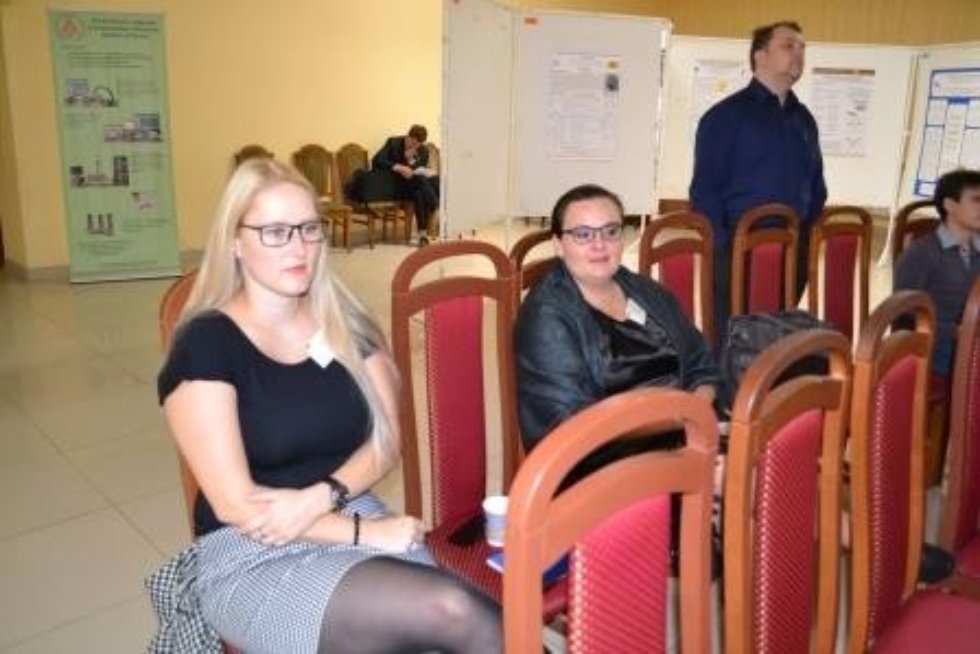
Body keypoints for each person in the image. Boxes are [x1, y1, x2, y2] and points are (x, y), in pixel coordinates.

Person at [155, 158, 500, 653]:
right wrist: (363, 533)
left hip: (344, 508)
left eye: (308, 228)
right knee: (452, 610)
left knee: (450, 627)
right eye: (275, 232)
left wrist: (324, 496)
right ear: (234, 241)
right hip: (250, 551)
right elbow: (238, 505)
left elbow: (386, 443)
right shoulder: (206, 344)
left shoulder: (344, 322)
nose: (299, 248)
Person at [515, 183, 719, 465]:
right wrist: (678, 424)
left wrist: (695, 421)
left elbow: (701, 363)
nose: (599, 245)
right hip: (609, 465)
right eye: (583, 234)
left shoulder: (645, 290)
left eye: (610, 231)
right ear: (559, 245)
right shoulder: (546, 319)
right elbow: (571, 425)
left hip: (684, 437)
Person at [690, 20, 826, 342]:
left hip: (792, 245)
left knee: (778, 333)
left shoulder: (804, 119)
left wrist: (806, 237)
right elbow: (705, 189)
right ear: (760, 55)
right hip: (738, 245)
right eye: (788, 45)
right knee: (733, 338)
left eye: (802, 47)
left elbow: (817, 185)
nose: (798, 53)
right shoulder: (725, 117)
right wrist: (722, 250)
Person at [894, 169, 980, 378]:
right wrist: (957, 332)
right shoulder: (921, 253)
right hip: (942, 351)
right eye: (976, 200)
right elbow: (903, 314)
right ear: (950, 205)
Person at [372, 124, 439, 245]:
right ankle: (435, 205)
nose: (414, 146)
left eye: (418, 144)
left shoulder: (423, 150)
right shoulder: (393, 143)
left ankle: (422, 235)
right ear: (408, 137)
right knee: (422, 184)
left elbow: (417, 169)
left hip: (413, 186)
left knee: (422, 188)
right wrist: (398, 167)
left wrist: (410, 161)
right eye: (412, 143)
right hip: (394, 185)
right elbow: (376, 160)